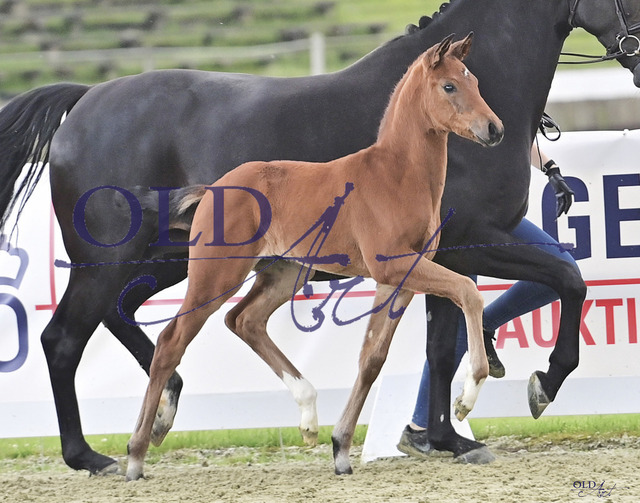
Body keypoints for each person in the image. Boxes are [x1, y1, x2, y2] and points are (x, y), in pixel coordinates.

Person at [397, 141, 579, 458]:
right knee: (454, 326)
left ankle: (484, 325)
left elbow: (515, 132)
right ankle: (419, 426)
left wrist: (550, 168)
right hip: (454, 218)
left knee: (563, 273)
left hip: (488, 213)